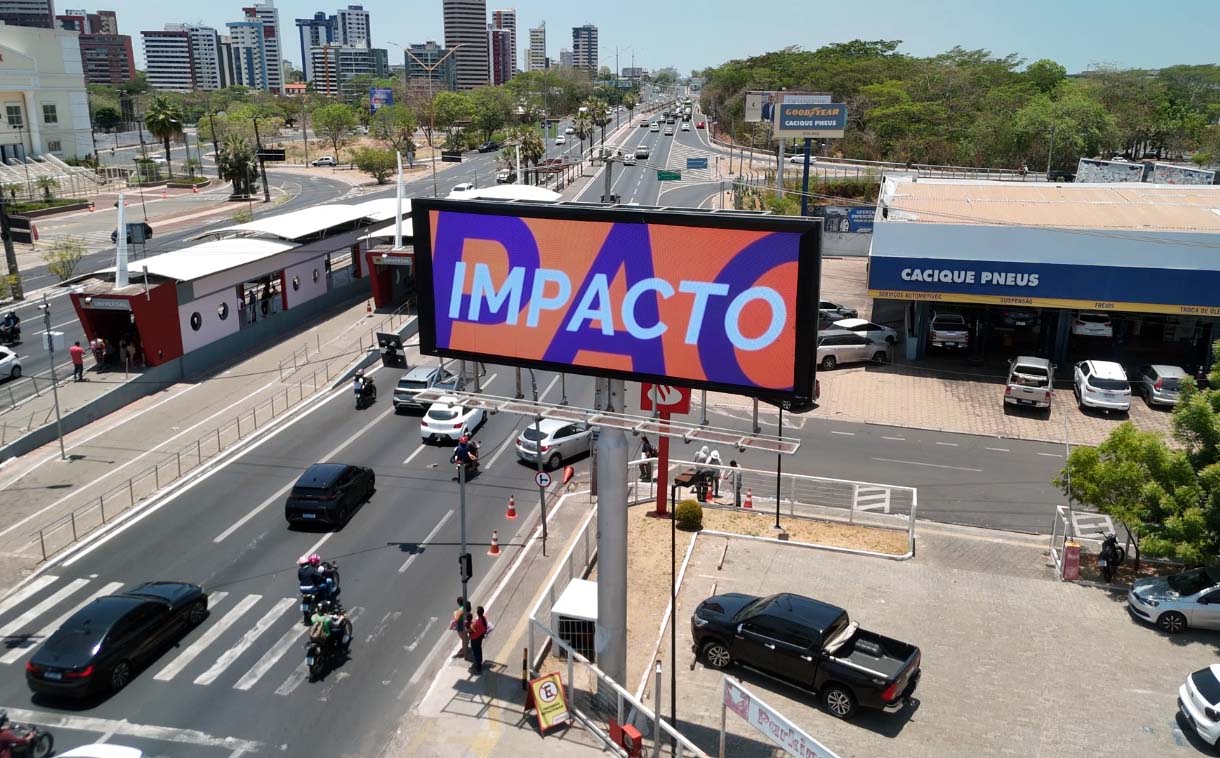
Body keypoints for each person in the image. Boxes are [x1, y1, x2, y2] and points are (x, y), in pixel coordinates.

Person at [468, 605, 490, 674]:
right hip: (480, 637)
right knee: (479, 649)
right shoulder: (483, 619)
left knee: (475, 652)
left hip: (475, 638)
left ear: (477, 613)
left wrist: (468, 626)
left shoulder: (477, 622)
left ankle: (478, 668)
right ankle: (479, 662)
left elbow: (470, 630)